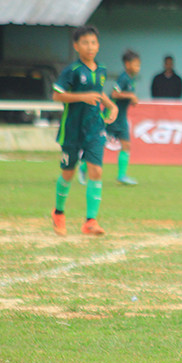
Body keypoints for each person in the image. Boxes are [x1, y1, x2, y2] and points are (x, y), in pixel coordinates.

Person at [50, 25, 118, 237]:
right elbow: (57, 95)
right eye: (85, 43)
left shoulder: (102, 70)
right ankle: (58, 213)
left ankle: (90, 221)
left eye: (94, 42)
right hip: (72, 129)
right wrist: (82, 96)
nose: (90, 47)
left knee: (96, 171)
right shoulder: (72, 71)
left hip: (94, 128)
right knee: (68, 173)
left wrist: (111, 106)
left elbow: (98, 93)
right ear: (76, 46)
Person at [106, 49, 142, 186]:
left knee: (126, 145)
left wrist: (131, 100)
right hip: (113, 116)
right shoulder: (124, 77)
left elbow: (124, 96)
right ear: (127, 64)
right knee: (99, 143)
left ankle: (122, 176)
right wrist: (131, 96)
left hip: (121, 118)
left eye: (139, 65)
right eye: (136, 64)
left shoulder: (130, 79)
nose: (138, 68)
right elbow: (114, 94)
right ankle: (83, 167)